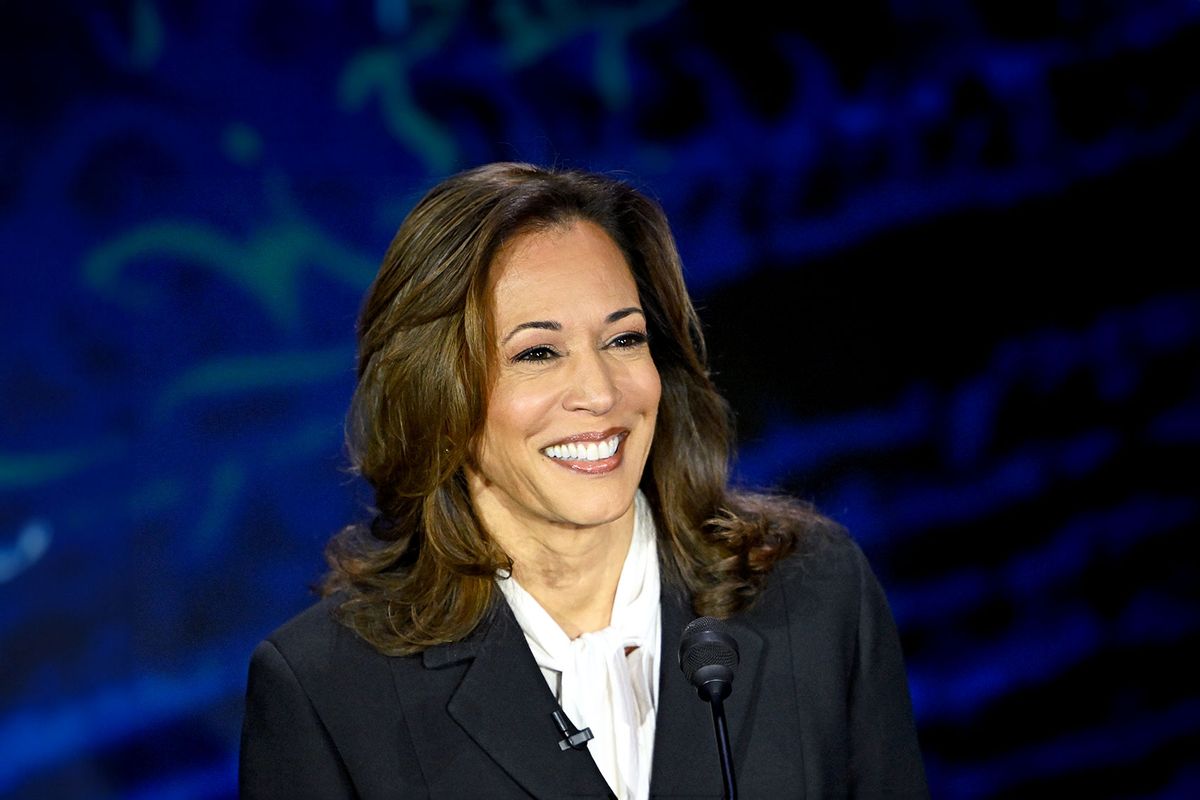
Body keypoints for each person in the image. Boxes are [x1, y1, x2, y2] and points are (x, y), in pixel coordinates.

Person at [239, 162, 928, 799]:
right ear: (434, 395)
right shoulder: (326, 694)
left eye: (624, 339)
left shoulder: (815, 593)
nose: (600, 393)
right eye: (538, 353)